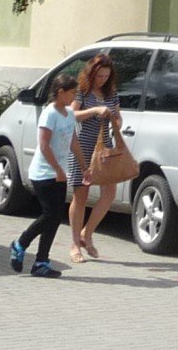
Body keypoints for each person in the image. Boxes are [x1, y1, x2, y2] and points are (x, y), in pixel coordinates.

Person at [11, 73, 78, 278]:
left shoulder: (69, 113)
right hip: (43, 173)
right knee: (50, 214)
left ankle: (41, 262)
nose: (74, 96)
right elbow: (44, 145)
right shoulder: (50, 113)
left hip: (59, 174)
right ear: (60, 92)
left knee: (55, 217)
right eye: (72, 92)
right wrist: (57, 169)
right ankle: (20, 244)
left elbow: (74, 142)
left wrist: (85, 167)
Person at [70, 53, 123, 264]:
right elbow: (71, 114)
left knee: (109, 192)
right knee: (80, 194)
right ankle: (75, 244)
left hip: (104, 147)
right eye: (99, 75)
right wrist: (94, 110)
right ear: (91, 72)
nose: (102, 79)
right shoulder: (81, 91)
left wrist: (116, 121)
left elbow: (117, 115)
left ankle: (87, 234)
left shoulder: (111, 93)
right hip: (82, 146)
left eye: (106, 76)